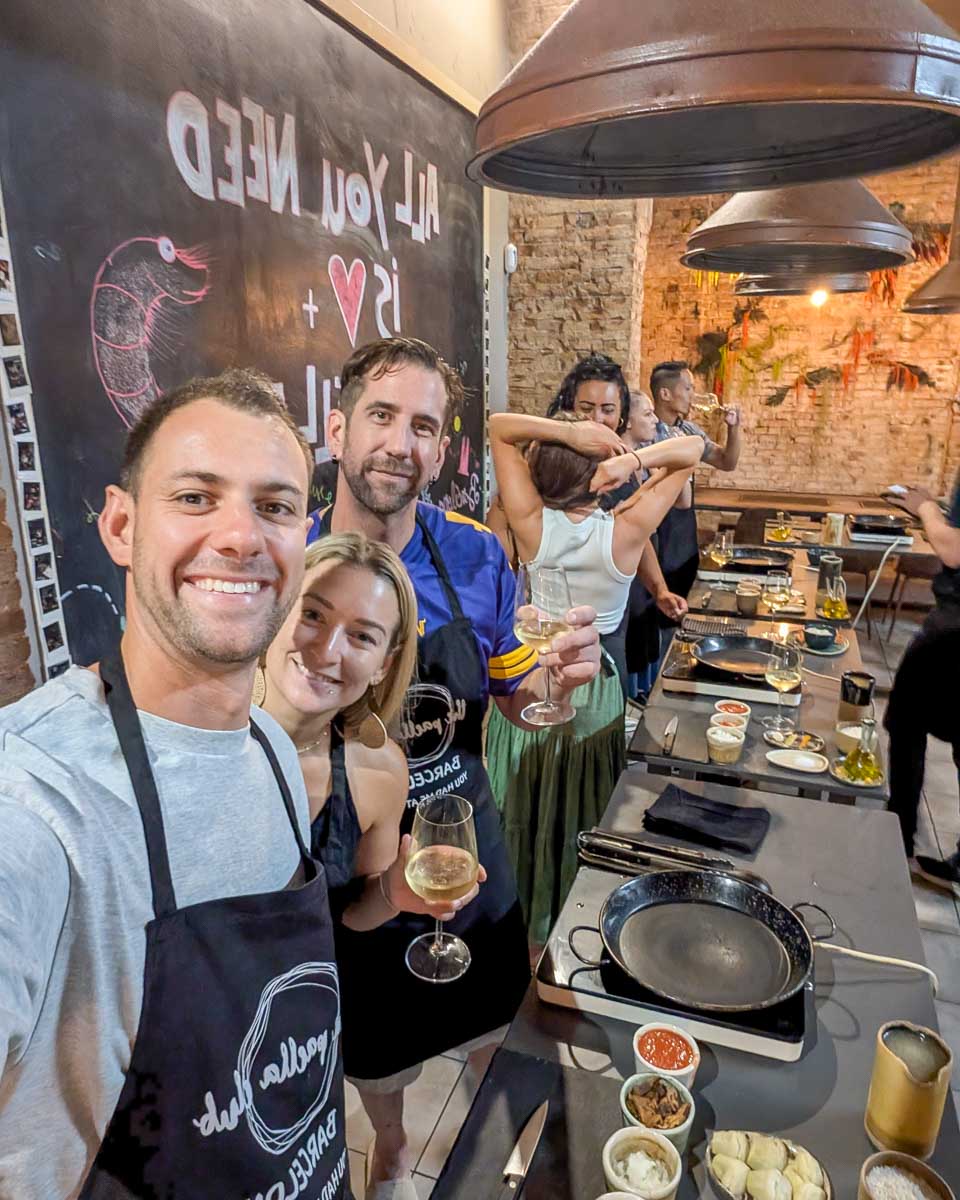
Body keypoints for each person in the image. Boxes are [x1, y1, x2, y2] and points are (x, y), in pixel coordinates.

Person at [0, 370, 350, 1199]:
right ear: (121, 526)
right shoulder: (36, 798)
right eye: (196, 498)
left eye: (275, 507)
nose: (240, 537)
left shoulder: (270, 747)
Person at [307, 336, 603, 1189]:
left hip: (467, 837)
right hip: (359, 862)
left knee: (497, 1019)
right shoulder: (296, 565)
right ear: (338, 429)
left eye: (424, 426)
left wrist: (559, 688)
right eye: (381, 416)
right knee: (378, 1042)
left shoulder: (473, 553)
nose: (401, 443)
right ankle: (394, 1147)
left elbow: (517, 697)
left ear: (442, 451)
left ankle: (503, 1147)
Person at [485, 410, 703, 943]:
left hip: (534, 678)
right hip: (595, 684)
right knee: (580, 805)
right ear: (598, 476)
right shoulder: (626, 528)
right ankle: (574, 918)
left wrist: (565, 433)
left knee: (522, 800)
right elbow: (693, 450)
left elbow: (499, 428)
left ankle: (517, 918)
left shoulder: (530, 522)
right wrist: (633, 460)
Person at [884, 474, 960, 895]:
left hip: (954, 627)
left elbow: (953, 550)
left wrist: (925, 508)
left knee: (905, 721)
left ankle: (896, 840)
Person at [649, 360, 743, 635]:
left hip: (684, 530)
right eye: (688, 388)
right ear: (665, 394)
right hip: (657, 529)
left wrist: (734, 428)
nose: (693, 395)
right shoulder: (647, 432)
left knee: (682, 600)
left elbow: (726, 462)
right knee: (656, 613)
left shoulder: (690, 431)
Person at [621, 390, 689, 696]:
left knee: (648, 632)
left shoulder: (644, 461)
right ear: (627, 420)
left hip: (650, 558)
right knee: (634, 636)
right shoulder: (619, 467)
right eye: (647, 414)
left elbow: (683, 502)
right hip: (630, 566)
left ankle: (644, 695)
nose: (654, 420)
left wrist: (674, 463)